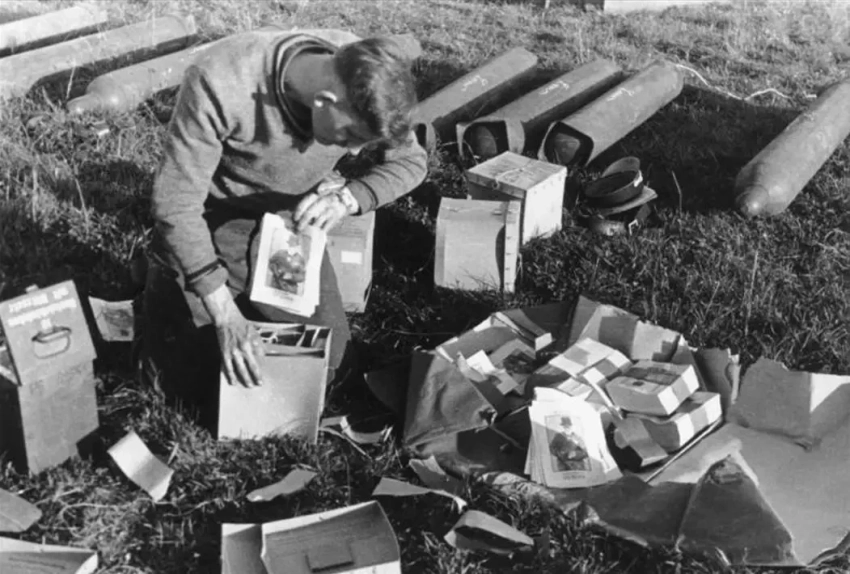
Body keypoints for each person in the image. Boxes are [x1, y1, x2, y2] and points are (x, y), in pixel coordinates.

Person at [140, 27, 428, 418]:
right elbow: (176, 202)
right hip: (209, 222)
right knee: (190, 389)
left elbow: (412, 163)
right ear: (324, 101)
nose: (354, 152)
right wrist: (223, 313)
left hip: (286, 229)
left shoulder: (368, 76)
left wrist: (348, 198)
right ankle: (164, 273)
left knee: (329, 368)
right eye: (350, 135)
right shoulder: (221, 81)